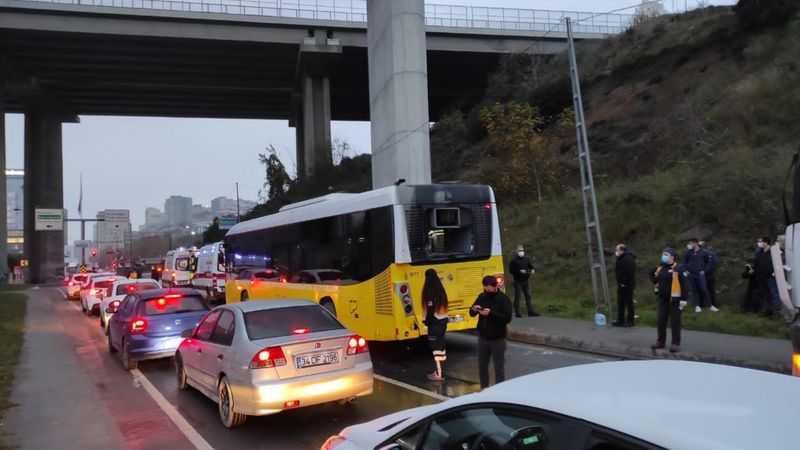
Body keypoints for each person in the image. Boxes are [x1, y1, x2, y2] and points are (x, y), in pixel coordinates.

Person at [469, 275, 513, 389]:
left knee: (499, 368)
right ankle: (484, 388)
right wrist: (474, 309)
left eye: (489, 289)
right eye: (485, 289)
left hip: (498, 338)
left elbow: (507, 318)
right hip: (483, 337)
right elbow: (472, 313)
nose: (486, 291)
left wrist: (491, 314)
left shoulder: (503, 299)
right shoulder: (482, 296)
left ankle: (500, 390)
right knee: (482, 366)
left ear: (495, 287)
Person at [650, 247, 690, 353]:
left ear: (672, 257)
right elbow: (654, 278)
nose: (664, 256)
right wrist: (653, 279)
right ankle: (660, 342)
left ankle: (675, 343)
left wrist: (684, 299)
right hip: (662, 300)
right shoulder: (660, 267)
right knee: (661, 321)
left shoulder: (679, 268)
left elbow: (685, 285)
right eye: (663, 254)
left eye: (666, 254)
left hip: (675, 301)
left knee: (675, 323)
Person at [421, 268, 449, 381]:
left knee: (436, 350)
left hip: (434, 324)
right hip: (442, 322)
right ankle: (440, 371)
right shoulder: (440, 290)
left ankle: (439, 374)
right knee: (441, 349)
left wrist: (426, 324)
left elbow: (430, 310)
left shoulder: (429, 291)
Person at [683, 238, 718, 313]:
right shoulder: (688, 253)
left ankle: (710, 305)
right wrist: (686, 270)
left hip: (699, 274)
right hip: (691, 274)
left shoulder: (704, 252)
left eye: (690, 243)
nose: (689, 245)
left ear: (695, 243)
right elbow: (684, 262)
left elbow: (709, 262)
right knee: (694, 290)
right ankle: (697, 306)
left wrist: (705, 270)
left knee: (703, 289)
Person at [751, 236, 782, 317]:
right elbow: (756, 264)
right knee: (765, 294)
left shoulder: (773, 252)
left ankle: (777, 312)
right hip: (761, 277)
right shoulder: (759, 253)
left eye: (761, 241)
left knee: (774, 294)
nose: (760, 243)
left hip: (771, 276)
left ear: (766, 242)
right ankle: (767, 311)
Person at [508, 245, 538, 318]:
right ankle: (517, 312)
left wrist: (532, 269)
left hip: (526, 280)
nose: (521, 252)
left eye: (522, 250)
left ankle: (530, 311)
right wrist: (519, 271)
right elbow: (511, 271)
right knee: (518, 296)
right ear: (516, 251)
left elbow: (530, 266)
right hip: (518, 281)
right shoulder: (514, 261)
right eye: (520, 251)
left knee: (528, 295)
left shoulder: (526, 259)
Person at [612, 244, 636, 327]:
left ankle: (630, 321)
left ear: (622, 250)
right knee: (620, 302)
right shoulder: (621, 258)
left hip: (627, 285)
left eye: (617, 250)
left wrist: (624, 283)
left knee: (628, 303)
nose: (616, 252)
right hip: (621, 284)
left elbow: (629, 272)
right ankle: (620, 319)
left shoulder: (627, 258)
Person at [698, 241, 720, 310]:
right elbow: (716, 263)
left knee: (701, 290)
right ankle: (712, 305)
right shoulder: (711, 253)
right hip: (709, 275)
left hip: (703, 275)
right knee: (710, 291)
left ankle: (702, 305)